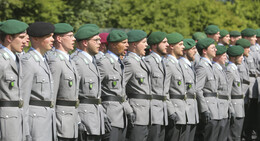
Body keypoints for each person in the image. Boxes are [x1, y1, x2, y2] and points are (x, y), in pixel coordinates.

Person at [21, 21, 56, 141]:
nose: (53, 40)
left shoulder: (43, 60)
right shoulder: (28, 61)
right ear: (35, 39)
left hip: (47, 120)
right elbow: (24, 100)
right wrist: (25, 131)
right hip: (35, 123)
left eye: (52, 36)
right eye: (48, 37)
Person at [96, 30, 134, 141]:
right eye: (124, 42)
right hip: (110, 116)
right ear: (113, 44)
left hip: (121, 117)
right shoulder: (104, 63)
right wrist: (102, 113)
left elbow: (121, 92)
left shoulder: (119, 62)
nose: (127, 45)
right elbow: (95, 91)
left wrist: (129, 110)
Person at [46, 23, 80, 141]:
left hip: (73, 119)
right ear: (59, 39)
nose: (74, 39)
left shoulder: (70, 60)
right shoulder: (55, 61)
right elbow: (52, 96)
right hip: (61, 121)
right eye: (70, 36)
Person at [0, 19, 28, 141]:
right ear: (9, 38)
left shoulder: (17, 59)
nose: (25, 42)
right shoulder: (1, 60)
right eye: (21, 37)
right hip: (5, 121)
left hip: (18, 118)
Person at [123, 30, 150, 141]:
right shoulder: (130, 62)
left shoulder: (140, 61)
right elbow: (120, 87)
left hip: (145, 113)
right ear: (134, 44)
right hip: (136, 112)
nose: (146, 45)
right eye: (143, 42)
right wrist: (128, 108)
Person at [144, 31, 172, 141]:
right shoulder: (148, 62)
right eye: (164, 42)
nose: (167, 45)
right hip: (152, 113)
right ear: (155, 45)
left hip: (162, 111)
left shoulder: (163, 62)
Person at [194, 38, 220, 141]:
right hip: (209, 107)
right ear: (204, 51)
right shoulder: (202, 67)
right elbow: (198, 89)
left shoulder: (210, 66)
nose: (216, 50)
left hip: (215, 108)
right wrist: (204, 109)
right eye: (213, 48)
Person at [164, 32, 187, 141]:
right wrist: (171, 110)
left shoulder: (179, 63)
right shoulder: (168, 64)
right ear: (172, 46)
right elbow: (165, 90)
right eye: (181, 44)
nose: (184, 47)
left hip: (182, 111)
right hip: (174, 110)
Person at [179, 39, 199, 141]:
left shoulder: (189, 66)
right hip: (185, 110)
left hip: (192, 110)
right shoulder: (181, 65)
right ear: (185, 50)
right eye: (192, 49)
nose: (195, 51)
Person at [241, 28, 259, 141]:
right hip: (247, 87)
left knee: (253, 114)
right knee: (246, 114)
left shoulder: (253, 51)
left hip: (254, 87)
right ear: (246, 38)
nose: (255, 39)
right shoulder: (243, 52)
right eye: (252, 37)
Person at [212, 45, 233, 141]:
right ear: (216, 56)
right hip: (218, 108)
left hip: (224, 108)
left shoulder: (221, 69)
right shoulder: (214, 69)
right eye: (223, 55)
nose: (226, 57)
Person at [225, 45, 245, 141]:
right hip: (234, 106)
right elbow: (227, 92)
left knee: (237, 135)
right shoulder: (230, 70)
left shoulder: (235, 69)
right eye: (240, 56)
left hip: (239, 107)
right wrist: (230, 108)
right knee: (233, 136)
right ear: (233, 57)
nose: (242, 57)